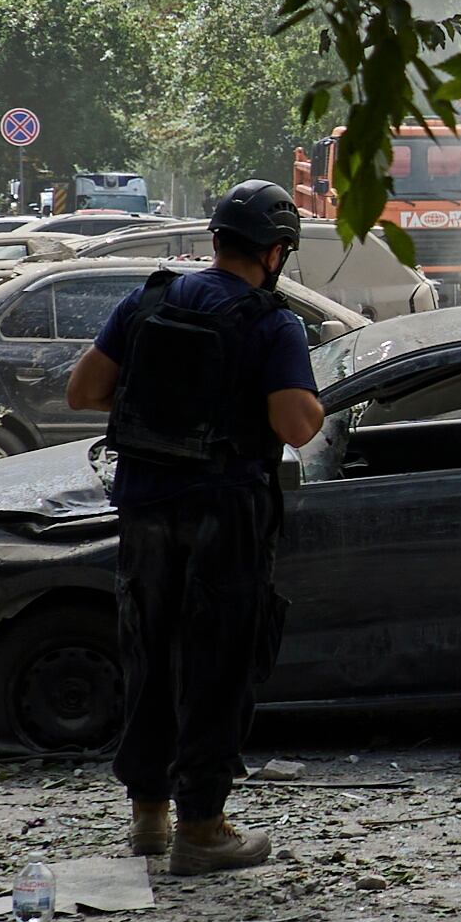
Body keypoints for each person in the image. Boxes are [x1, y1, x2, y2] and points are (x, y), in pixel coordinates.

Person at [65, 180, 326, 875]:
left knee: (146, 654)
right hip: (225, 515)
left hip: (146, 507)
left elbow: (82, 391)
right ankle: (202, 827)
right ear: (275, 253)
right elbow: (296, 423)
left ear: (214, 239)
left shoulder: (149, 301)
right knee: (216, 664)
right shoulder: (272, 323)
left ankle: (148, 817)